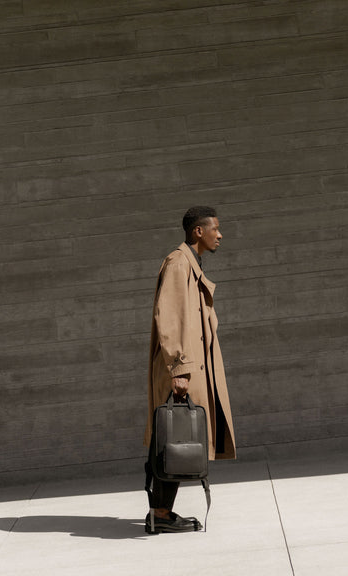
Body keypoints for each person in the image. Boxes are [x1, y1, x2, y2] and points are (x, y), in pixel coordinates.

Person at [144, 206, 236, 534]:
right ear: (198, 231)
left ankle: (161, 511)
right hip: (181, 369)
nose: (220, 234)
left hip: (188, 367)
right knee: (174, 437)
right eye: (215, 229)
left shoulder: (190, 263)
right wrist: (179, 369)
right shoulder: (178, 262)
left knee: (177, 437)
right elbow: (167, 316)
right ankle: (161, 513)